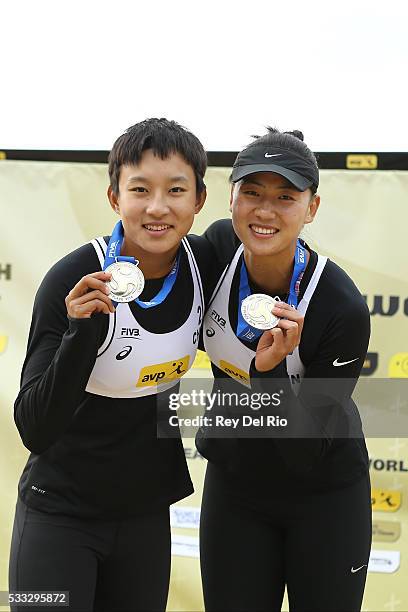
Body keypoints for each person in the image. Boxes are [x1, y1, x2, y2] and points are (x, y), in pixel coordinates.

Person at [9, 118, 215, 612]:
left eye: (176, 190)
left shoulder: (206, 265)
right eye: (139, 189)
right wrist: (82, 334)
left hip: (144, 515)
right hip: (59, 515)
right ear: (114, 197)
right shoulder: (75, 277)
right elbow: (35, 427)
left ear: (199, 200)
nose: (157, 207)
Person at [197, 128, 372, 612]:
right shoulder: (216, 251)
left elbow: (303, 455)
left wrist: (267, 373)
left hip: (323, 494)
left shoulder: (340, 307)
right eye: (251, 193)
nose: (265, 211)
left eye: (285, 197)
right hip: (235, 488)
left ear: (311, 208)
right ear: (229, 198)